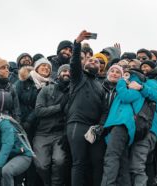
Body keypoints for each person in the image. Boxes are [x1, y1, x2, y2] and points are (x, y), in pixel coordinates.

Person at [67, 30, 106, 186]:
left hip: (94, 128)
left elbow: (104, 109)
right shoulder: (78, 77)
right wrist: (77, 43)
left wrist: (100, 126)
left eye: (97, 62)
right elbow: (74, 62)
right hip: (77, 124)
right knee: (79, 162)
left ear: (101, 68)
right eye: (90, 60)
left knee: (96, 162)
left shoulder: (101, 86)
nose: (93, 61)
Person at [15, 57, 52, 186]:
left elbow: (41, 108)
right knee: (21, 157)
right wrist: (19, 122)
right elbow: (16, 102)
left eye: (48, 67)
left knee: (35, 160)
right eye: (43, 66)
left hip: (39, 128)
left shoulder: (50, 85)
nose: (46, 68)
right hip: (22, 126)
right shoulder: (23, 82)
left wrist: (30, 120)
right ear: (36, 67)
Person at [34, 64, 71, 186]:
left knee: (59, 161)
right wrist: (59, 107)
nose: (67, 73)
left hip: (60, 134)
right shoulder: (46, 89)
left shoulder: (73, 92)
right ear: (58, 74)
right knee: (42, 165)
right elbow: (38, 111)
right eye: (64, 70)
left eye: (69, 71)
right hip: (42, 133)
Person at [126, 68, 157, 186]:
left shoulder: (149, 83)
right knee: (140, 166)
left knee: (137, 167)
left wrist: (141, 87)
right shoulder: (123, 86)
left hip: (146, 130)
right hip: (137, 131)